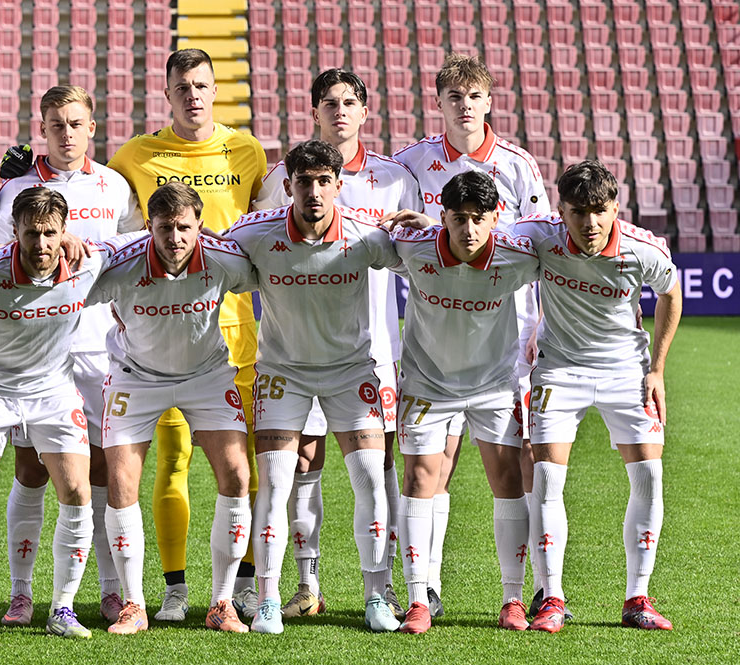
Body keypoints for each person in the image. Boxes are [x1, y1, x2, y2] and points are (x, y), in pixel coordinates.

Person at [253, 68, 423, 619]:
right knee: (303, 461)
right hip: (294, 349)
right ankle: (305, 585)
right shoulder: (282, 177)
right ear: (315, 112)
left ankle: (384, 588)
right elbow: (257, 245)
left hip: (370, 349)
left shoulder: (395, 179)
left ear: (365, 111)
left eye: (350, 102)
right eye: (330, 102)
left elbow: (419, 255)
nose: (340, 111)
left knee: (377, 467)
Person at [106, 48, 267, 620]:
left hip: (232, 338)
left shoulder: (247, 150)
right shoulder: (135, 155)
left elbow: (267, 230)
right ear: (167, 93)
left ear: (215, 89)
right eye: (183, 87)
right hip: (157, 337)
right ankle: (172, 589)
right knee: (171, 463)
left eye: (201, 85)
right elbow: (104, 217)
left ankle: (241, 587)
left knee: (243, 466)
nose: (193, 96)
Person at [392, 53, 551, 616]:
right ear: (439, 103)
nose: (465, 106)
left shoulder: (518, 165)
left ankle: (535, 587)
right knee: (439, 462)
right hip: (438, 333)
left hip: (508, 335)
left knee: (520, 460)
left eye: (474, 96)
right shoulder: (411, 164)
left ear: (489, 102)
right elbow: (394, 234)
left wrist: (540, 323)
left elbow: (541, 244)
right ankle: (425, 587)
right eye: (454, 97)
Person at [227, 140, 405, 634]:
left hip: (351, 373)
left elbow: (426, 259)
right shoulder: (255, 233)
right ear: (287, 187)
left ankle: (376, 597)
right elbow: (206, 255)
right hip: (283, 375)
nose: (314, 191)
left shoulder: (366, 236)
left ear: (338, 185)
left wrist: (425, 229)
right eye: (304, 181)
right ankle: (268, 601)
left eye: (324, 181)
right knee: (276, 485)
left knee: (371, 478)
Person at [0, 85, 143, 627]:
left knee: (98, 470)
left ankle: (106, 591)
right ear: (43, 129)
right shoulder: (18, 189)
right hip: (33, 349)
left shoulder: (114, 186)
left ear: (92, 128)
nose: (66, 133)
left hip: (99, 349)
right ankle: (21, 593)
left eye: (76, 123)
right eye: (56, 124)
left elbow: (133, 253)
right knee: (30, 469)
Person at [515, 161, 682, 633]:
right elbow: (483, 233)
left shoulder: (642, 249)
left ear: (615, 208)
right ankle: (551, 598)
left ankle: (637, 598)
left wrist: (657, 369)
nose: (590, 223)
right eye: (578, 212)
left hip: (626, 371)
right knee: (547, 478)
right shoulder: (541, 235)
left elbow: (671, 294)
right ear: (561, 211)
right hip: (559, 369)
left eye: (599, 210)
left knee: (649, 475)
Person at [88, 182, 255, 635]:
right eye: (165, 227)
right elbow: (59, 295)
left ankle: (222, 603)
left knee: (237, 474)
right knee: (121, 481)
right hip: (136, 378)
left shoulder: (224, 258)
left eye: (184, 227)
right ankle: (134, 605)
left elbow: (281, 278)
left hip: (206, 376)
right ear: (149, 226)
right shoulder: (119, 262)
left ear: (200, 225)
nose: (175, 238)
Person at [0, 187, 107, 642]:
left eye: (51, 233)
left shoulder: (89, 263)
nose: (41, 244)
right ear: (14, 231)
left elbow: (148, 245)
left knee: (77, 490)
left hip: (54, 391)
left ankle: (62, 609)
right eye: (31, 233)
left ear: (65, 231)